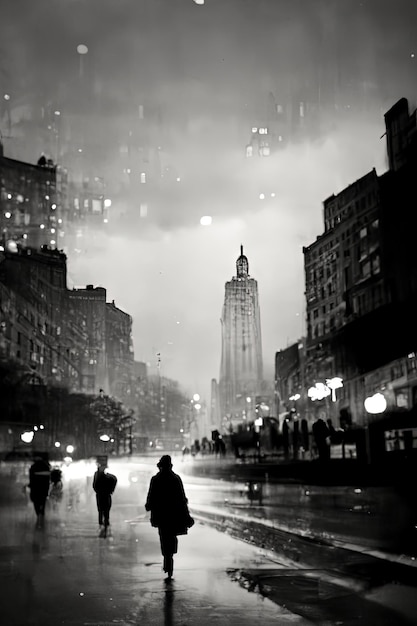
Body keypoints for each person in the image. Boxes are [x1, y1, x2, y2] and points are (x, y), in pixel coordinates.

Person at [145, 455, 194, 581]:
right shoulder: (175, 479)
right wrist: (186, 516)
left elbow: (151, 496)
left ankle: (167, 559)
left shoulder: (156, 479)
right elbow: (182, 499)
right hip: (173, 515)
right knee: (172, 537)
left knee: (164, 536)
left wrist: (149, 505)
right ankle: (169, 560)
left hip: (161, 515)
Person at [93, 462, 117, 537]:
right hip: (106, 496)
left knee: (101, 510)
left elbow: (94, 486)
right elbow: (114, 481)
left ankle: (102, 524)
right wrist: (111, 491)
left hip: (101, 496)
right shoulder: (110, 478)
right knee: (106, 511)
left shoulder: (98, 476)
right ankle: (106, 523)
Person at [28, 455, 51, 526]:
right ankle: (41, 513)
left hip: (35, 489)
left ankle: (38, 513)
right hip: (43, 489)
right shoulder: (46, 466)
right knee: (42, 501)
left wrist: (30, 485)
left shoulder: (33, 467)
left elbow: (31, 478)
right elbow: (48, 480)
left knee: (36, 502)